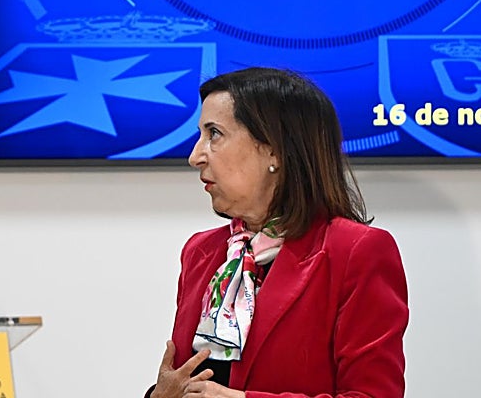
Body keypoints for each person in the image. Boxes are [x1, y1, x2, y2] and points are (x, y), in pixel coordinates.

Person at [147, 67, 409, 398]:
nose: (195, 156)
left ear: (274, 149)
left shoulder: (357, 251)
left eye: (214, 134)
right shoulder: (201, 252)